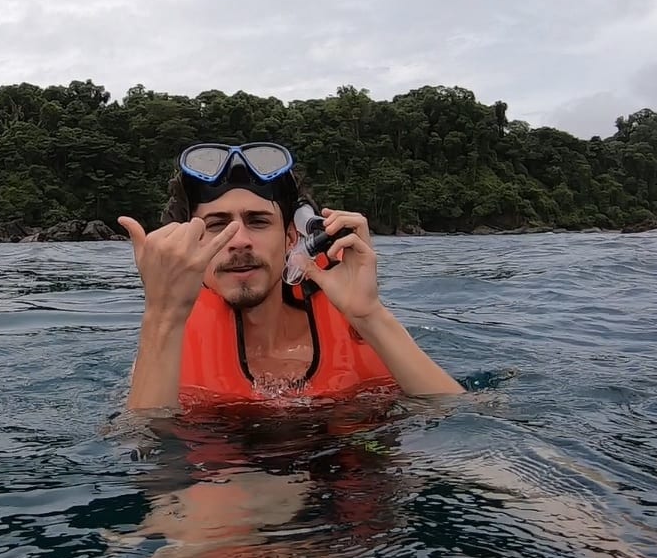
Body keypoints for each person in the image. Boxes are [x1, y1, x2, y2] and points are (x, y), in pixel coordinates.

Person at [116, 142, 464, 412]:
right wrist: (161, 316)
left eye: (258, 221)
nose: (239, 240)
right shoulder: (168, 344)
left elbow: (465, 426)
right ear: (191, 242)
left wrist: (370, 316)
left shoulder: (359, 324)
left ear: (290, 239)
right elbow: (146, 454)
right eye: (217, 225)